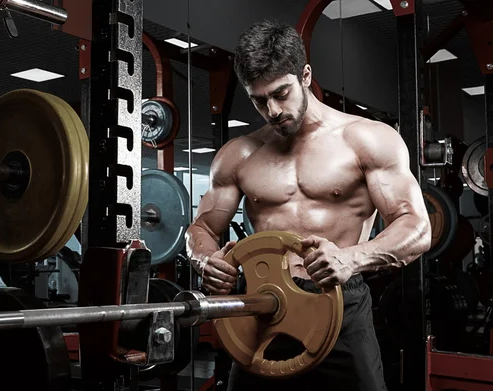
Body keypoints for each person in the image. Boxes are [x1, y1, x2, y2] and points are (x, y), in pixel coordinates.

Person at [185, 19, 431, 391]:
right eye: (258, 99)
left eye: (281, 93)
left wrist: (352, 258)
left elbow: (417, 226)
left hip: (338, 304)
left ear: (305, 75)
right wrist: (207, 260)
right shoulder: (239, 155)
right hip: (262, 304)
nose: (272, 110)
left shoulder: (365, 139)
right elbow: (201, 229)